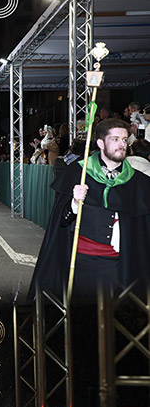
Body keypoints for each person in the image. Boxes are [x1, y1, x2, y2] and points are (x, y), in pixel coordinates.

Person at [30, 118, 150, 298]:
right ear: (101, 143)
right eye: (115, 139)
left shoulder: (139, 182)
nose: (122, 145)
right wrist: (74, 203)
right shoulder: (77, 173)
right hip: (81, 263)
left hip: (121, 267)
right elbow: (60, 221)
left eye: (125, 140)